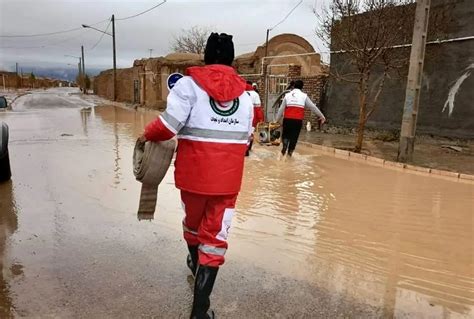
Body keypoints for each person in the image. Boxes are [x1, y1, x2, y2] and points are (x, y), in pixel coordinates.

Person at [140, 33, 253, 319]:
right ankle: (200, 310)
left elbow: (167, 127)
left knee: (192, 225)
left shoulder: (188, 86)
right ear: (231, 59)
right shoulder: (248, 95)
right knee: (215, 240)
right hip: (227, 183)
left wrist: (146, 134)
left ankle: (194, 263)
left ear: (205, 56)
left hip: (192, 178)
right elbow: (248, 140)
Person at [275, 80, 326, 156]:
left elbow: (281, 109)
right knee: (294, 137)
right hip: (297, 121)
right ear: (302, 87)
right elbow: (313, 107)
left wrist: (276, 120)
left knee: (286, 135)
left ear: (294, 86)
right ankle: (290, 153)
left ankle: (284, 146)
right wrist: (322, 116)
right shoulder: (304, 96)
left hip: (287, 120)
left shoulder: (287, 95)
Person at [245, 81, 264, 155]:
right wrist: (260, 119)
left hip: (242, 117)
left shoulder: (240, 93)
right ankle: (248, 148)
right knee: (251, 133)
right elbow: (258, 108)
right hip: (253, 117)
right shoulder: (255, 94)